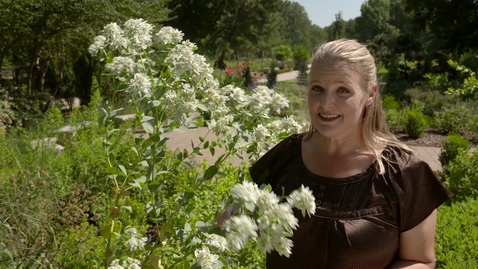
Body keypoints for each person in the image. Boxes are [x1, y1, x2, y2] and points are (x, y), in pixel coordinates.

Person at [218, 39, 452, 269]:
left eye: (343, 90)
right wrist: (237, 216)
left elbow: (420, 260)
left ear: (370, 94)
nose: (326, 103)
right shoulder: (286, 155)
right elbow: (255, 214)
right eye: (317, 88)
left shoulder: (403, 172)